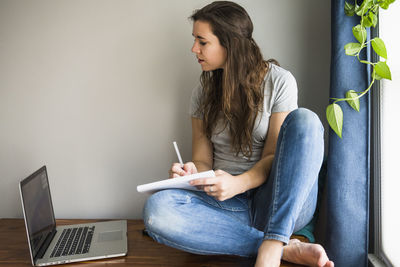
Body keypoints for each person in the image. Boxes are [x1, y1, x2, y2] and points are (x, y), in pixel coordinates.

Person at [143, 1, 334, 267]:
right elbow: (203, 160)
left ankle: (271, 246)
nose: (194, 49)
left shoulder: (280, 82)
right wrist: (190, 173)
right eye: (194, 40)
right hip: (228, 207)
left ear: (229, 44)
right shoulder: (203, 90)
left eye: (202, 41)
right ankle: (282, 247)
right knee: (158, 210)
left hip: (279, 203)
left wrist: (239, 182)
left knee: (306, 121)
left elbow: (272, 155)